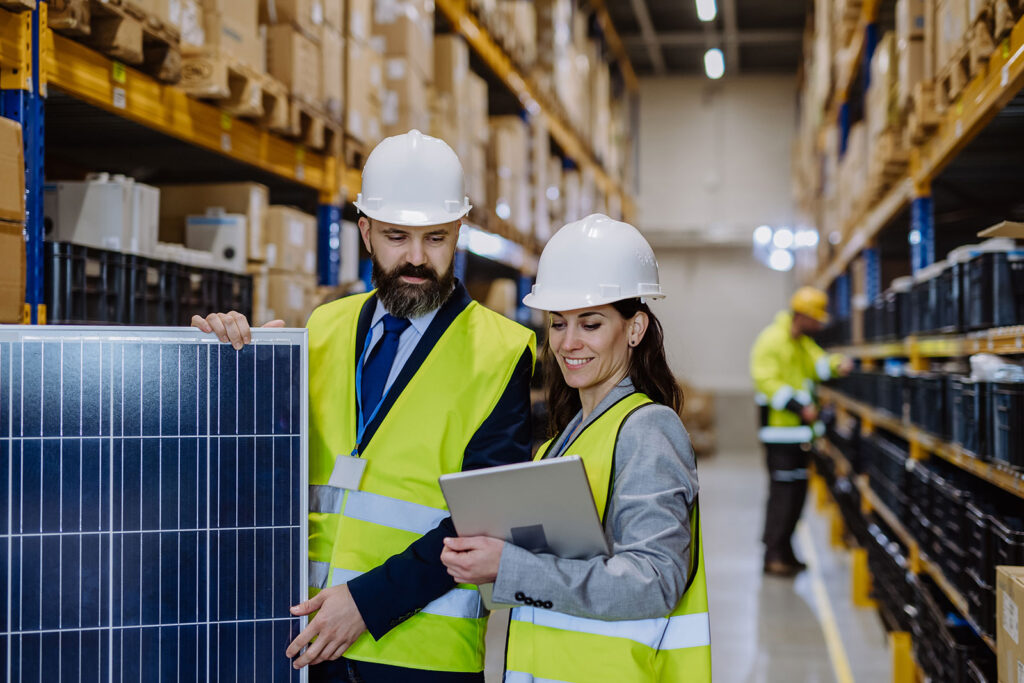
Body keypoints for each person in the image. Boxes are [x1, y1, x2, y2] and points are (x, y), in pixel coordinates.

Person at [193, 129, 536, 682]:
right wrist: (231, 365)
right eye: (398, 236)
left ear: (459, 234)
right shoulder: (324, 326)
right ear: (366, 232)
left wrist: (365, 604)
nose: (417, 259)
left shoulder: (502, 351)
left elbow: (484, 518)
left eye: (436, 238)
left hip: (419, 654)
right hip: (301, 636)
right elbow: (268, 459)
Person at [440, 214, 712, 683]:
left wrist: (511, 567)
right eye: (558, 324)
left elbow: (655, 581)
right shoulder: (560, 444)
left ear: (635, 328)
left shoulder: (648, 430)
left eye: (590, 324)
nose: (569, 343)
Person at [749, 286, 852, 577]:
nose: (819, 324)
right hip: (779, 436)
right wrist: (798, 406)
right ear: (802, 315)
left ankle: (786, 551)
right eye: (815, 318)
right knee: (782, 496)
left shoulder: (801, 343)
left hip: (799, 436)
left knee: (796, 496)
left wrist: (837, 364)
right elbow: (765, 381)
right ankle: (773, 554)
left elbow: (818, 364)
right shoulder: (772, 340)